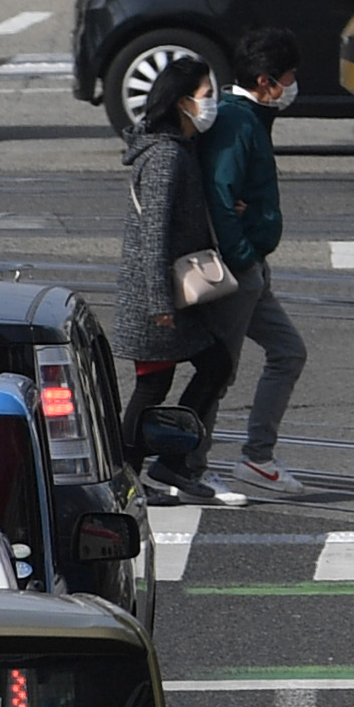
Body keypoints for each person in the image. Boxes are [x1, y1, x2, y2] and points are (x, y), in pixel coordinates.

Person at [116, 57, 251, 507]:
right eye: (206, 95)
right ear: (182, 102)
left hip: (172, 295)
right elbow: (153, 232)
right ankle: (129, 474)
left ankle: (162, 465)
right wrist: (159, 305)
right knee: (158, 385)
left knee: (206, 369)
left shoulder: (176, 148)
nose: (211, 103)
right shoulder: (166, 156)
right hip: (157, 299)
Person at [199, 27, 312, 496]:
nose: (292, 85)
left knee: (287, 352)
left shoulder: (248, 119)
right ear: (266, 81)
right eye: (288, 77)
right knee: (219, 371)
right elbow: (220, 196)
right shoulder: (237, 121)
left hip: (252, 267)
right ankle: (189, 462)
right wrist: (244, 256)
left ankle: (256, 457)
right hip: (238, 269)